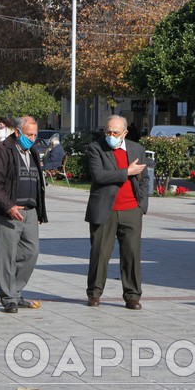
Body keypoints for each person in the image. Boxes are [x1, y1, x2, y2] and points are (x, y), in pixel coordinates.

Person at [85, 115, 149, 310]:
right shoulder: (96, 148)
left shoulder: (137, 149)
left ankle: (132, 296)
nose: (110, 136)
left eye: (115, 133)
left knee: (131, 254)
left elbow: (144, 179)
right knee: (100, 253)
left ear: (125, 133)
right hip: (105, 209)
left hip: (131, 210)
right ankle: (94, 294)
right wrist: (126, 172)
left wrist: (141, 205)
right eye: (107, 132)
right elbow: (99, 175)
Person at [0, 116, 48, 313]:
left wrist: (40, 211)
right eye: (29, 134)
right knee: (7, 256)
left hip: (30, 211)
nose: (32, 138)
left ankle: (15, 290)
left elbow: (38, 183)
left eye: (35, 135)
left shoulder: (33, 152)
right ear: (17, 132)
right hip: (8, 212)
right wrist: (9, 207)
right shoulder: (2, 151)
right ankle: (9, 298)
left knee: (31, 252)